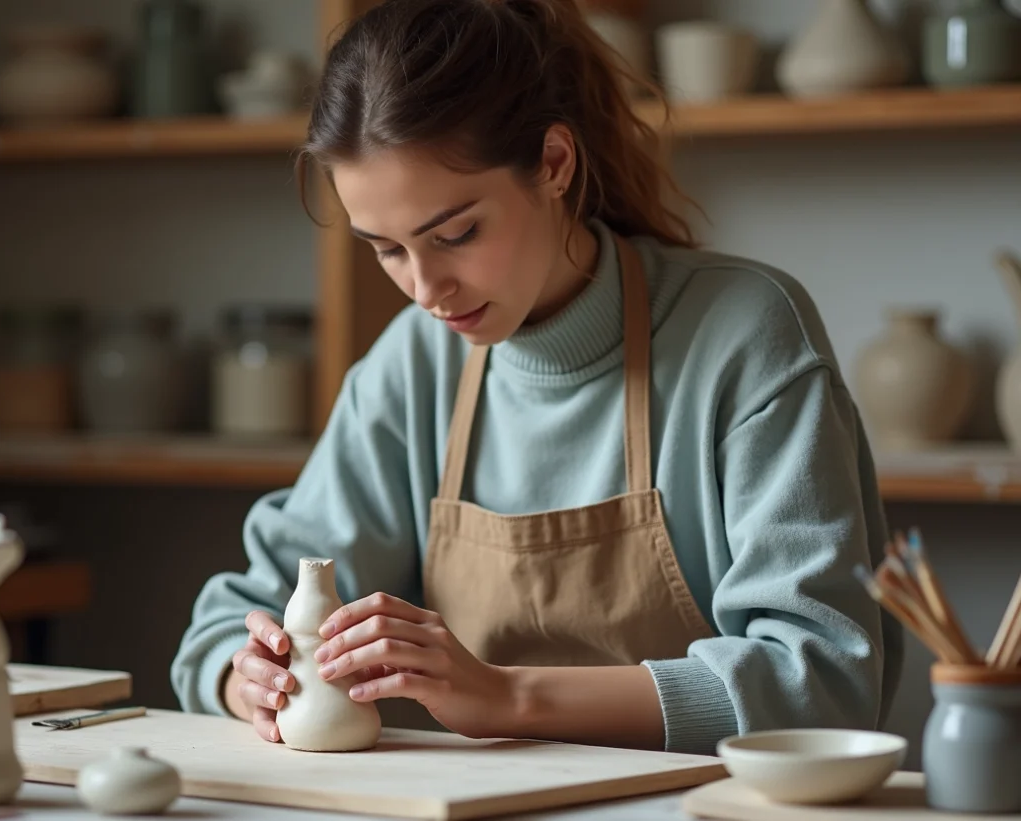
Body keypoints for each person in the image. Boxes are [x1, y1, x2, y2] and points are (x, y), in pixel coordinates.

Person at [171, 0, 903, 755]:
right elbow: (235, 619)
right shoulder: (413, 364)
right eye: (385, 248)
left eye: (455, 234)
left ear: (555, 163)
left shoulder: (746, 332)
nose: (425, 288)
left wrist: (506, 694)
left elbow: (822, 681)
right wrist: (250, 678)